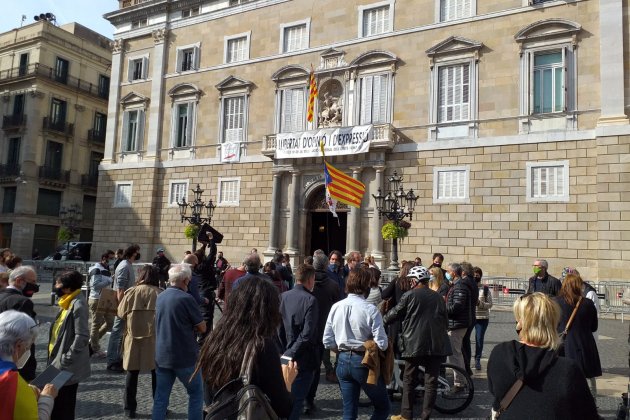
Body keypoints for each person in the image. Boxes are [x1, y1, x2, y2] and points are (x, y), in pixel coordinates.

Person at [196, 276, 296, 418]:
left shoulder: (214, 339)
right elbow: (284, 408)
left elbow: (209, 397)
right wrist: (287, 381)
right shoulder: (263, 347)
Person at [487, 293, 599, 419]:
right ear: (554, 323)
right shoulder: (568, 370)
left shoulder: (499, 353)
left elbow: (495, 390)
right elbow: (588, 414)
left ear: (520, 323)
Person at [384, 266, 452, 420]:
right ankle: (425, 416)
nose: (409, 283)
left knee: (408, 379)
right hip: (436, 344)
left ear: (415, 281)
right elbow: (445, 322)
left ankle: (406, 415)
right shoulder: (438, 298)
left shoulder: (409, 295)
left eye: (410, 280)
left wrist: (382, 321)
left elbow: (394, 313)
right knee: (431, 381)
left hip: (414, 343)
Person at [323, 267, 390, 420]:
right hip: (363, 361)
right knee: (383, 407)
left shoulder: (336, 307)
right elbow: (382, 343)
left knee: (349, 411)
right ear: (366, 285)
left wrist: (340, 351)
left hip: (342, 360)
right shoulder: (370, 309)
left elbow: (327, 340)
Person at [152, 264, 206, 420]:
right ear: (185, 280)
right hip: (185, 356)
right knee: (196, 394)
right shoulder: (186, 298)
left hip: (162, 356)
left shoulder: (160, 296)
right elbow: (202, 327)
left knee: (160, 398)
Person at [118, 265, 162, 419]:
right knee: (157, 374)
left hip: (133, 338)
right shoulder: (160, 293)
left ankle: (129, 409)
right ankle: (159, 407)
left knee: (131, 373)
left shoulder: (131, 292)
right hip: (154, 339)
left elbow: (120, 313)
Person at [48, 270, 91, 420]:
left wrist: (67, 358)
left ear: (67, 287)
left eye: (58, 283)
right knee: (56, 401)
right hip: (56, 360)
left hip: (66, 365)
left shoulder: (77, 304)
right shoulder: (67, 301)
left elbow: (82, 336)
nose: (55, 286)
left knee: (64, 405)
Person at [0, 310, 58, 420]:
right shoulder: (12, 383)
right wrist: (47, 398)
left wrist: (24, 390)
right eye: (27, 347)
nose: (27, 351)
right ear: (18, 346)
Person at [278, 264, 319, 420]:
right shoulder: (311, 300)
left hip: (284, 355)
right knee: (296, 402)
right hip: (303, 359)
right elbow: (307, 334)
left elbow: (277, 328)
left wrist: (284, 352)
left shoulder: (283, 296)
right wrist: (291, 353)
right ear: (310, 280)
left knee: (285, 400)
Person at [305, 252, 341, 412]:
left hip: (304, 332)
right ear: (326, 265)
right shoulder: (333, 285)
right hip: (322, 333)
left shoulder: (305, 284)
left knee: (300, 367)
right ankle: (309, 400)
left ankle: (297, 399)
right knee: (315, 366)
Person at [555, 273, 602, 395]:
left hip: (564, 344)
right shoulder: (587, 303)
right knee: (589, 376)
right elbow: (594, 327)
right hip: (585, 343)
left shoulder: (556, 302)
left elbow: (553, 325)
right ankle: (593, 403)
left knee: (564, 375)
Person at [0, 266, 39, 381]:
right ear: (18, 281)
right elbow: (24, 337)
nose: (35, 286)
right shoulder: (23, 302)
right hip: (15, 361)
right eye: (32, 282)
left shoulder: (2, 295)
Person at [107, 244, 141, 372]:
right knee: (116, 333)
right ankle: (112, 360)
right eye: (137, 252)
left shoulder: (128, 265)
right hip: (122, 305)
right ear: (133, 253)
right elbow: (120, 289)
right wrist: (122, 307)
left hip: (126, 304)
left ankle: (118, 357)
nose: (138, 254)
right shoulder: (124, 266)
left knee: (121, 333)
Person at [445, 262, 471, 393]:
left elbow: (457, 307)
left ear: (453, 273)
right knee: (456, 353)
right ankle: (461, 380)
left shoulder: (459, 287)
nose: (447, 274)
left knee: (455, 355)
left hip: (457, 324)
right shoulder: (457, 285)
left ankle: (459, 383)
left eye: (448, 271)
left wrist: (442, 308)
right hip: (456, 324)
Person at [380, 262, 414, 356]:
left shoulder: (396, 281)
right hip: (410, 317)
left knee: (395, 345)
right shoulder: (414, 284)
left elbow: (384, 295)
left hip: (396, 317)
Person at [88, 251, 115, 358]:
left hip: (105, 299)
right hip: (96, 299)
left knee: (110, 323)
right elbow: (95, 285)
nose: (112, 260)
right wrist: (109, 280)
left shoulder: (106, 268)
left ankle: (92, 342)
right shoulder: (96, 268)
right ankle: (95, 349)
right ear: (104, 258)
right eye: (111, 258)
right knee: (96, 324)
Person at [460, 261, 477, 376]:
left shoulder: (465, 282)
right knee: (466, 342)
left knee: (462, 344)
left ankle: (465, 367)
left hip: (465, 317)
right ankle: (467, 367)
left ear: (463, 272)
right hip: (471, 316)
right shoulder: (472, 282)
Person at [473, 267, 492, 371]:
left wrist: (480, 303)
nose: (476, 276)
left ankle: (477, 359)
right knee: (465, 339)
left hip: (482, 318)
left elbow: (490, 304)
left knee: (479, 339)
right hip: (470, 317)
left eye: (478, 274)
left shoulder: (485, 289)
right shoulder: (469, 287)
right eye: (474, 274)